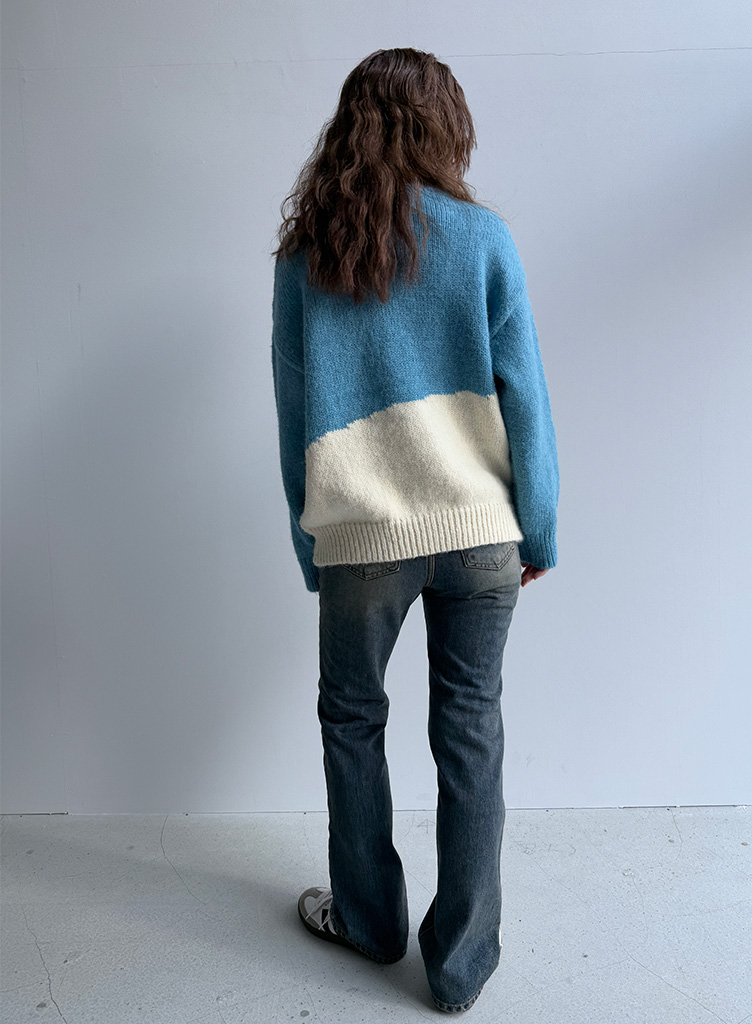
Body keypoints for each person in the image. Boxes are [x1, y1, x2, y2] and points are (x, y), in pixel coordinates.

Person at [269, 47, 559, 1014]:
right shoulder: (484, 239)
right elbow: (527, 398)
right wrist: (538, 528)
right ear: (445, 127)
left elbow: (296, 415)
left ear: (348, 129)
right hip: (481, 531)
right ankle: (459, 966)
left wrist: (313, 544)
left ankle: (369, 921)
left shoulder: (309, 256)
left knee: (353, 719)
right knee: (470, 728)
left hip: (363, 537)